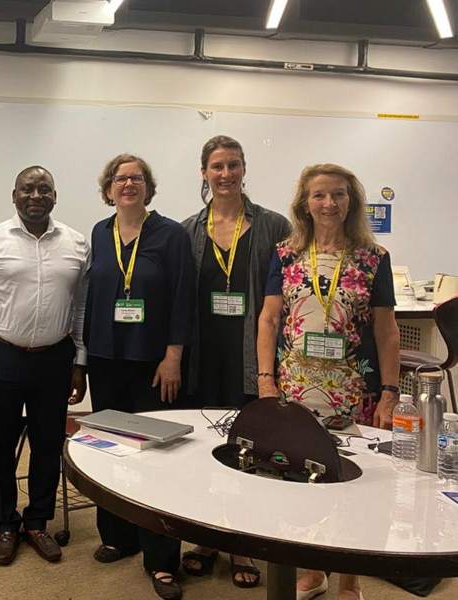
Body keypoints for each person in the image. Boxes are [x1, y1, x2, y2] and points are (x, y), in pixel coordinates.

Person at [257, 163, 400, 600]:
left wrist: (390, 393)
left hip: (355, 393)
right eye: (319, 195)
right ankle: (314, 571)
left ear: (351, 201)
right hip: (295, 389)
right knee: (302, 479)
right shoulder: (285, 255)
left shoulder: (374, 259)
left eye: (338, 194)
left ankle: (349, 582)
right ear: (305, 203)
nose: (329, 203)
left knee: (355, 485)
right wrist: (265, 381)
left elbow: (386, 331)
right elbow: (269, 319)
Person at [0, 165, 89, 567]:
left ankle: (37, 523)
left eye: (44, 189)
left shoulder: (76, 244)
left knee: (48, 445)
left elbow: (82, 307)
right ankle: (5, 525)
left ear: (55, 196)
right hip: (2, 357)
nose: (36, 196)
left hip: (55, 357)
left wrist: (80, 360)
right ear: (14, 196)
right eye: (27, 189)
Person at [179, 135, 290, 587]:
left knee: (249, 449)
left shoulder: (274, 226)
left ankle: (242, 544)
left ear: (244, 169)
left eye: (233, 165)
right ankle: (205, 538)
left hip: (251, 355)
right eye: (217, 166)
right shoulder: (188, 229)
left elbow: (284, 299)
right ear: (204, 173)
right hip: (204, 356)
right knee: (204, 447)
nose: (225, 174)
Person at [82, 154, 193, 600]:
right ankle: (118, 537)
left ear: (148, 187)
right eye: (120, 178)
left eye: (137, 178)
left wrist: (173, 356)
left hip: (154, 363)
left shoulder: (171, 234)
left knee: (158, 456)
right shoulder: (99, 232)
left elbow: (183, 297)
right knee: (110, 448)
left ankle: (162, 559)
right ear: (108, 188)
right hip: (106, 359)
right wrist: (83, 358)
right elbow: (93, 296)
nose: (128, 184)